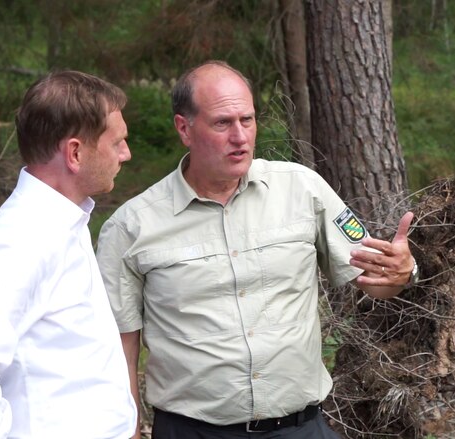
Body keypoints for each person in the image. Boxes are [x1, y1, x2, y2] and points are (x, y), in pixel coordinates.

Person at [96, 60, 418, 439]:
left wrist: (402, 272)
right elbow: (119, 345)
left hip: (300, 428)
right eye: (222, 123)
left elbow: (378, 281)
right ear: (184, 128)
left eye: (246, 120)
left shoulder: (303, 190)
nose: (240, 137)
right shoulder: (131, 227)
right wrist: (128, 432)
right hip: (193, 432)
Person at [0, 70, 137, 439]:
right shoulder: (23, 242)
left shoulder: (62, 222)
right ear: (75, 152)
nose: (126, 153)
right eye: (117, 142)